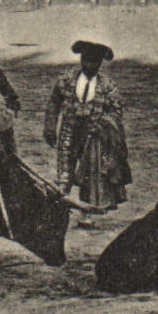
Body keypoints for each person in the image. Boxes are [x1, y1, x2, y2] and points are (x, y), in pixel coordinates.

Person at [43, 41, 131, 216]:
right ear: (81, 60)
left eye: (95, 62)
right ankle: (61, 208)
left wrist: (104, 125)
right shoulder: (66, 80)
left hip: (93, 135)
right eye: (87, 61)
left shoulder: (107, 85)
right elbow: (54, 103)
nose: (90, 65)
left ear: (100, 63)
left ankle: (86, 213)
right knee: (64, 172)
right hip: (69, 131)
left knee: (89, 176)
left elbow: (116, 111)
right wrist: (50, 128)